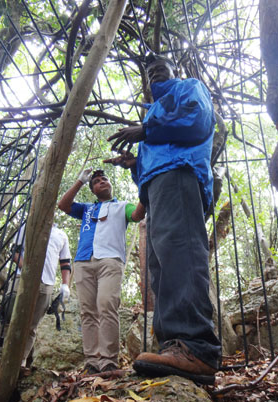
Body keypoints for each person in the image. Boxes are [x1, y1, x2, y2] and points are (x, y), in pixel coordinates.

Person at [106, 53, 221, 384]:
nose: (153, 70)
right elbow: (150, 164)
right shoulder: (152, 111)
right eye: (148, 69)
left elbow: (198, 121)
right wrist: (134, 165)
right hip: (157, 187)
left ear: (174, 70)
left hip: (180, 176)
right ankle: (174, 345)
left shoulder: (188, 88)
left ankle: (196, 347)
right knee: (160, 264)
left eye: (160, 66)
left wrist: (146, 130)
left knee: (180, 253)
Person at [58, 168, 145, 375]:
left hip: (110, 260)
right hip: (83, 261)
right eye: (96, 181)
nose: (101, 182)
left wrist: (145, 185)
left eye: (104, 179)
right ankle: (91, 360)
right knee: (87, 310)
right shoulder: (86, 209)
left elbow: (137, 214)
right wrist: (80, 180)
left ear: (110, 184)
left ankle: (108, 360)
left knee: (107, 305)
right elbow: (63, 205)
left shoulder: (122, 206)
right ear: (93, 190)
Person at [12, 222, 71, 367]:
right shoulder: (28, 226)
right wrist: (27, 269)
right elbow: (14, 251)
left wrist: (65, 285)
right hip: (23, 278)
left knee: (32, 326)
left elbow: (65, 262)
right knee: (11, 319)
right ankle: (1, 358)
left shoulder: (61, 234)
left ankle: (20, 362)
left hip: (47, 284)